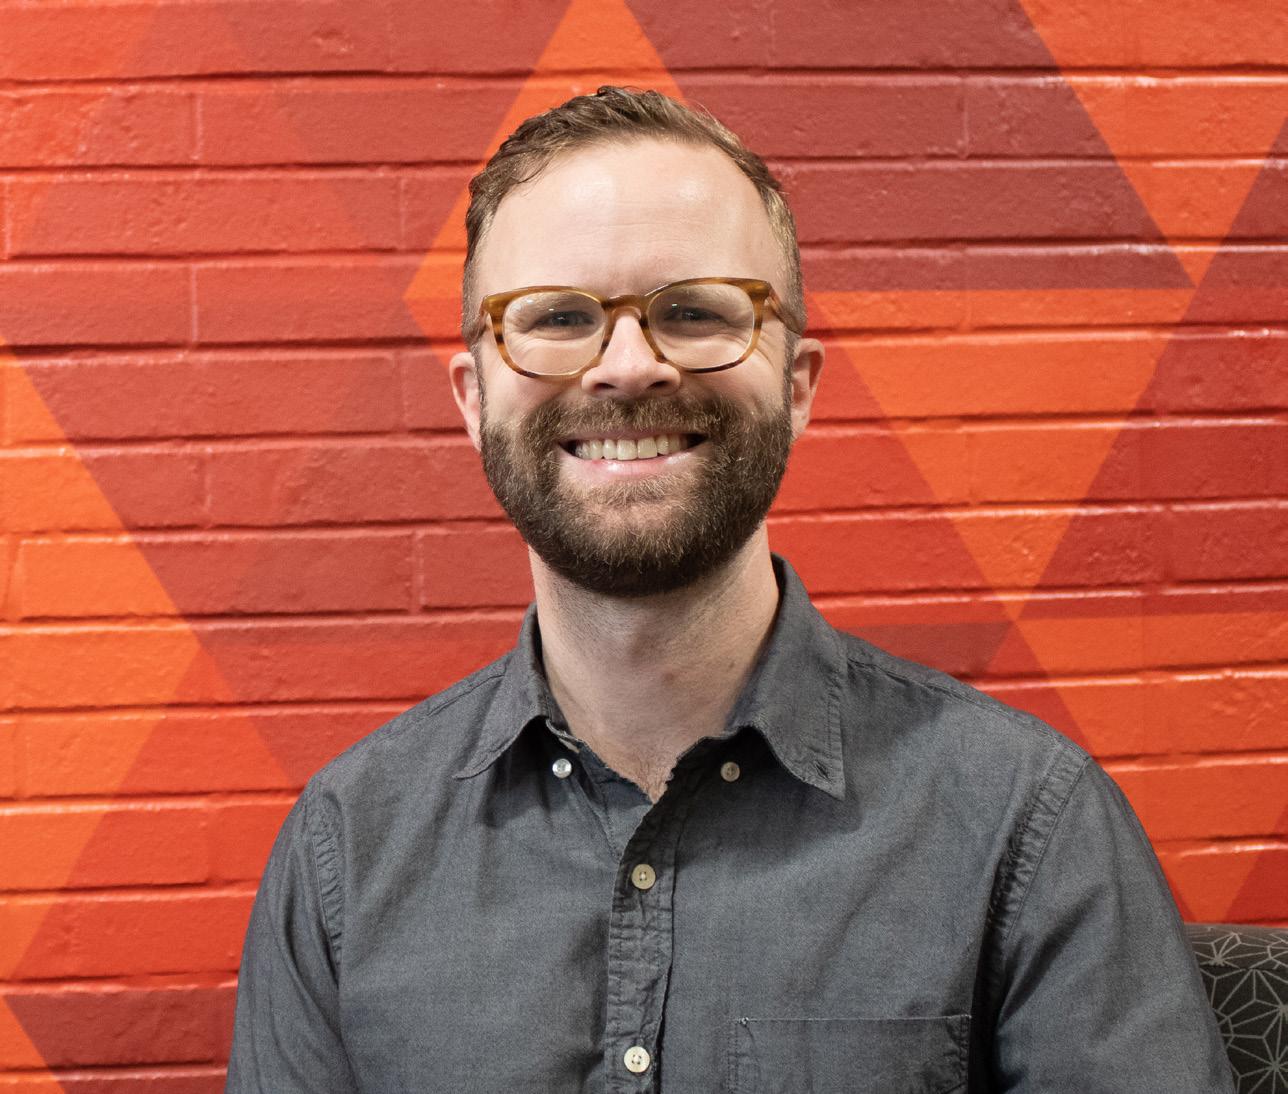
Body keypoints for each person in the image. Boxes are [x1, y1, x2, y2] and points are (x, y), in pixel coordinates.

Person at [227, 87, 1234, 1093]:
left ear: (797, 386)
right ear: (472, 395)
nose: (630, 367)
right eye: (558, 317)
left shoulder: (1026, 823)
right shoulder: (345, 848)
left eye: (696, 312)